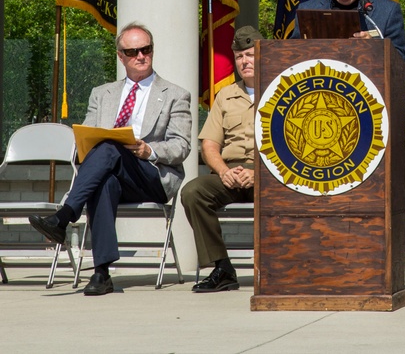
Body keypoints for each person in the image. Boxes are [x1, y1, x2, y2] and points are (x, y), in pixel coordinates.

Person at [29, 22, 192, 296]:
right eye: (132, 52)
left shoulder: (175, 94)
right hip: (112, 171)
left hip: (152, 175)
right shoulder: (101, 94)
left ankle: (65, 214)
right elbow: (87, 137)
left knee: (108, 148)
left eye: (146, 49)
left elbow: (182, 146)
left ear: (152, 51)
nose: (140, 56)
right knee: (103, 176)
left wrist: (148, 151)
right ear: (120, 56)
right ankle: (102, 273)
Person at [181, 26, 262, 293]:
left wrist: (260, 173)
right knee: (193, 192)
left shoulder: (282, 91)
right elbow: (209, 145)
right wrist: (224, 171)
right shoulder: (226, 95)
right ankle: (222, 268)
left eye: (250, 54)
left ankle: (283, 267)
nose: (245, 61)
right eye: (239, 56)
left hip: (270, 175)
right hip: (231, 173)